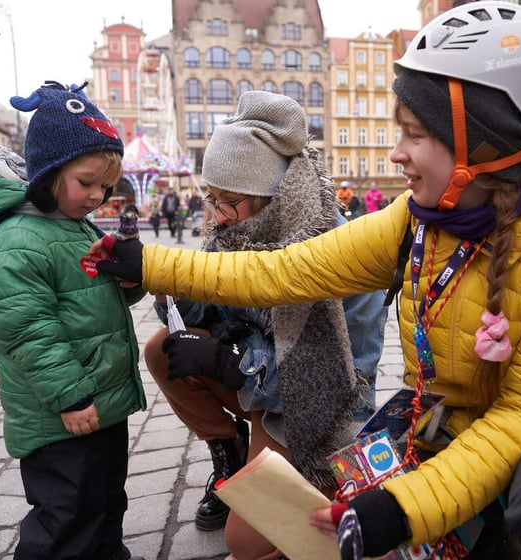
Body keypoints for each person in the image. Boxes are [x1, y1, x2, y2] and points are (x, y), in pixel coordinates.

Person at [92, 3, 521, 559]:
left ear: (481, 141)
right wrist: (148, 264)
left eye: (416, 133)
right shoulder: (415, 219)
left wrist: (401, 507)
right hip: (436, 433)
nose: (396, 152)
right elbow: (287, 271)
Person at [143, 91, 387, 559]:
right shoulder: (238, 228)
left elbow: (334, 383)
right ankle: (229, 452)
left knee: (245, 544)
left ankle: (319, 487)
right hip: (261, 381)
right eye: (209, 197)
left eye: (228, 201)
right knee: (160, 348)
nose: (215, 215)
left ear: (272, 196)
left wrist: (231, 361)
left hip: (313, 410)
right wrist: (168, 289)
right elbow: (214, 310)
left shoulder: (343, 253)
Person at [0, 81, 147, 560]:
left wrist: (128, 282)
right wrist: (70, 396)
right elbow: (26, 329)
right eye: (86, 182)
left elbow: (89, 302)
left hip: (100, 404)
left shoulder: (71, 227)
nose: (97, 196)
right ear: (48, 172)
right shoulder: (18, 238)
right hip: (60, 415)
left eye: (105, 187)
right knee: (66, 513)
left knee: (107, 499)